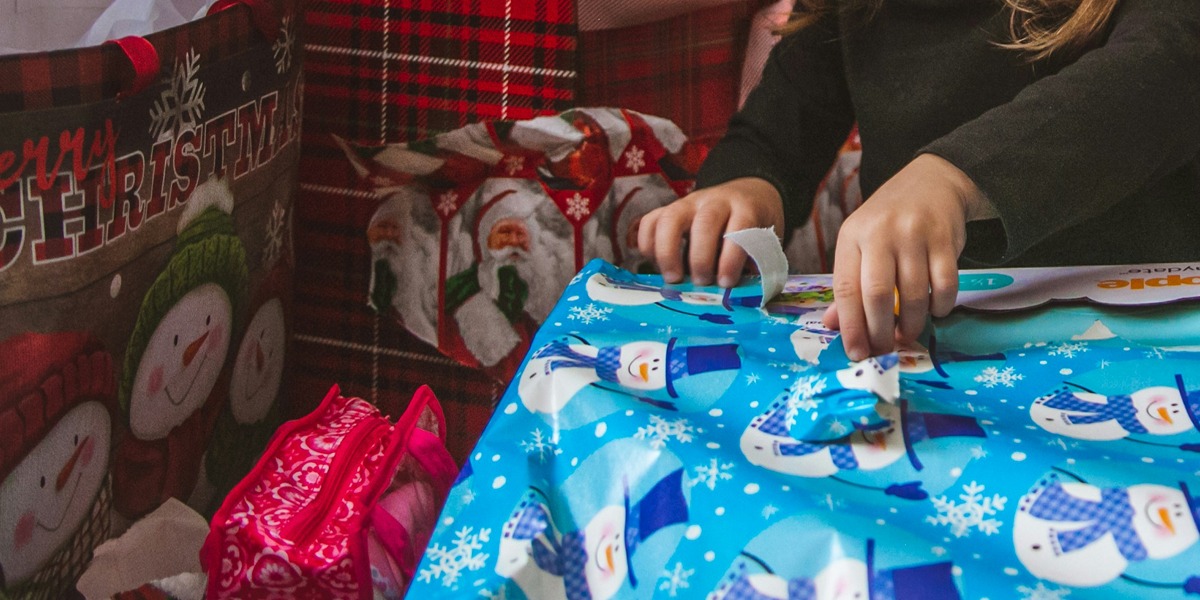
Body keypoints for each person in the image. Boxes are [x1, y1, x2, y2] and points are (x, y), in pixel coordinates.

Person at [638, 0, 1200, 362]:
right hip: (928, 345)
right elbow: (775, 135)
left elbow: (1167, 69)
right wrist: (745, 187)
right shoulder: (849, 10)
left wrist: (956, 178)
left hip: (1149, 343)